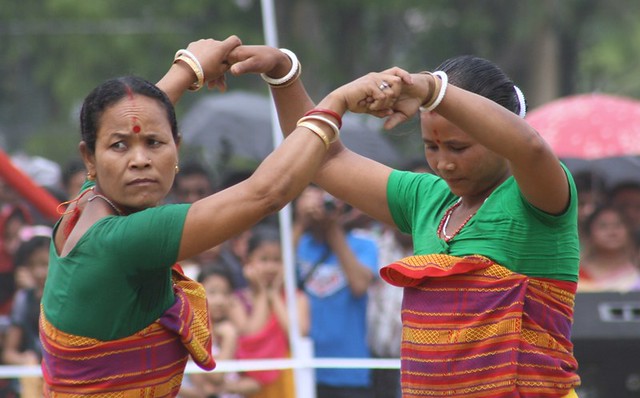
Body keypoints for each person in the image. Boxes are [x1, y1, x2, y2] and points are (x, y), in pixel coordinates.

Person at [38, 36, 405, 396]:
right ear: (89, 158)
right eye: (120, 146)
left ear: (175, 147)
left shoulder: (88, 202)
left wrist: (190, 69)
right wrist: (337, 102)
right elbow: (266, 192)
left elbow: (136, 116)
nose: (140, 159)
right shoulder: (126, 237)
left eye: (154, 144)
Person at [242, 48, 581, 397]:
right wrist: (287, 75)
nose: (443, 163)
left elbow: (531, 148)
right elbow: (323, 158)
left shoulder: (539, 200)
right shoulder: (427, 199)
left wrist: (430, 90)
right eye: (431, 147)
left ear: (501, 132)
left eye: (458, 148)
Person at [292, 185, 378, 398]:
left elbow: (359, 286)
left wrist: (332, 228)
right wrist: (300, 223)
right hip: (302, 365)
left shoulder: (364, 245)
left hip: (349, 370)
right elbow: (277, 281)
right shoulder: (298, 242)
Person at [229, 225, 309, 398]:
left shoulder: (297, 298)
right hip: (252, 384)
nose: (271, 267)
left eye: (277, 260)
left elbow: (296, 335)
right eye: (264, 260)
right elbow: (251, 334)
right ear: (248, 262)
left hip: (288, 379)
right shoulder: (237, 301)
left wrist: (274, 296)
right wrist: (263, 293)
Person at [184, 263, 260, 398]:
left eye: (225, 293)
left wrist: (227, 386)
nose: (220, 300)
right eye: (212, 292)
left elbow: (255, 382)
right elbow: (215, 377)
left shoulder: (235, 329)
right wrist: (230, 340)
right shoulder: (189, 334)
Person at [2, 232, 51, 398]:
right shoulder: (23, 299)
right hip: (30, 382)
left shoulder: (66, 298)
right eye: (32, 265)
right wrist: (24, 360)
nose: (38, 272)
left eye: (45, 264)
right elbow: (8, 353)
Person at [578, 204, 640, 292]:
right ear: (589, 234)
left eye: (618, 225)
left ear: (628, 231)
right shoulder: (576, 273)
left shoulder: (636, 272)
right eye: (603, 226)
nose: (612, 232)